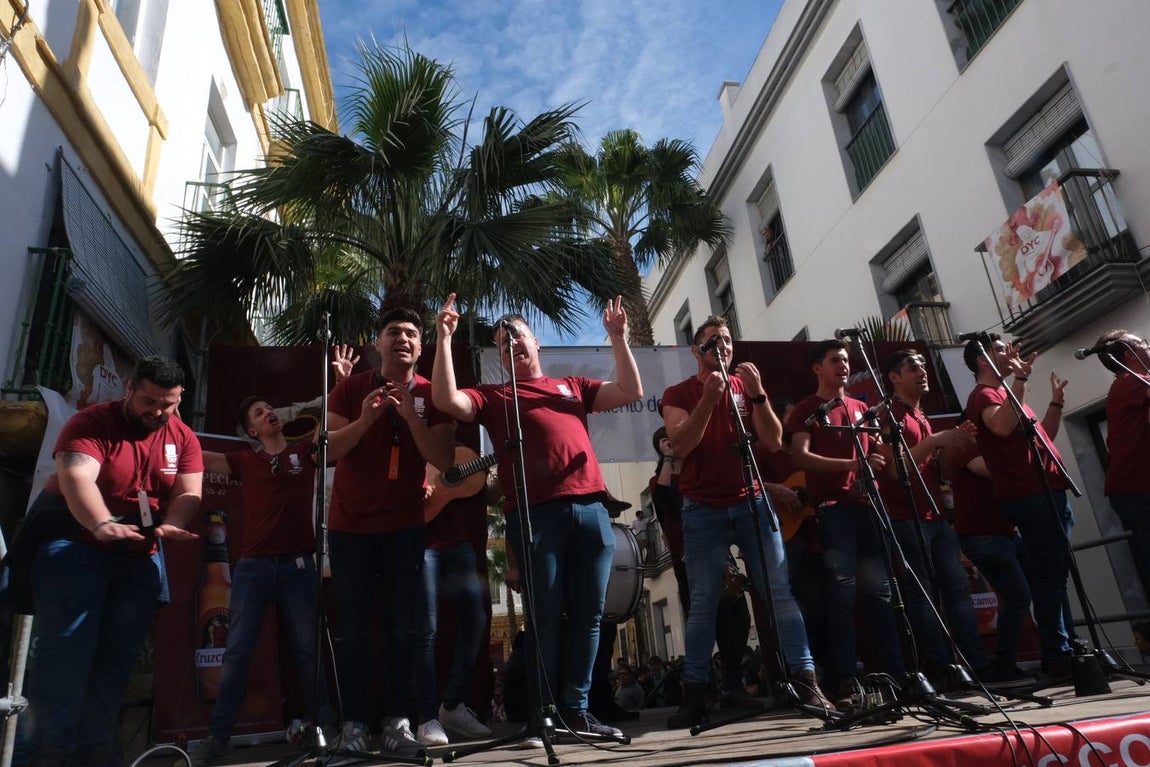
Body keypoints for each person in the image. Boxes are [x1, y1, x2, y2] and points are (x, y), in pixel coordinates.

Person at [432, 293, 642, 741]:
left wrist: (619, 339)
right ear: (501, 358)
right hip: (534, 515)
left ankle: (578, 711)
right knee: (544, 617)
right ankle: (543, 713)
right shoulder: (494, 396)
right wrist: (444, 338)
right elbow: (447, 399)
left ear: (536, 343)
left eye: (517, 336)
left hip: (591, 510)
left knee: (589, 616)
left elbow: (630, 392)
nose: (512, 345)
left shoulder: (573, 387)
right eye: (502, 343)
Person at [12, 356, 203, 767]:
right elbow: (76, 477)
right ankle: (44, 756)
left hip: (136, 557)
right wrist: (100, 523)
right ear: (129, 389)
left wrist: (172, 523)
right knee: (64, 659)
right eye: (148, 400)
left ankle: (97, 753)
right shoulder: (91, 423)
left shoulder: (184, 437)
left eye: (166, 404)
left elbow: (189, 492)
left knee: (116, 662)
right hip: (73, 545)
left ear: (179, 398)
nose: (156, 411)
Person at [661, 316, 835, 729]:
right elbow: (681, 444)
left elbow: (775, 442)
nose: (721, 346)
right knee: (704, 602)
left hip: (752, 502)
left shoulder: (745, 387)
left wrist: (757, 397)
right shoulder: (678, 392)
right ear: (696, 351)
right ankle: (697, 693)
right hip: (702, 508)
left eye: (726, 340)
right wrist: (708, 398)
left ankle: (806, 681)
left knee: (779, 593)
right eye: (711, 342)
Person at [326, 307, 455, 756]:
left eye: (412, 334)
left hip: (404, 528)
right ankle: (355, 725)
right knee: (354, 631)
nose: (403, 338)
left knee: (405, 629)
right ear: (377, 344)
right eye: (393, 332)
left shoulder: (433, 394)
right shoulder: (350, 388)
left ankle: (399, 721)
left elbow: (443, 458)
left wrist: (412, 418)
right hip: (349, 529)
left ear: (422, 347)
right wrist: (365, 420)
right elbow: (328, 452)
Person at [189, 396, 338, 765]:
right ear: (251, 430)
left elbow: (335, 433)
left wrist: (336, 382)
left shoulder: (305, 453)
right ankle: (217, 737)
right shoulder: (244, 460)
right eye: (259, 412)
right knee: (237, 653)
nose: (269, 412)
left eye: (270, 407)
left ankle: (327, 730)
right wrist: (172, 424)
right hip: (253, 568)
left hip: (299, 564)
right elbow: (200, 458)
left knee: (307, 652)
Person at [787, 339, 903, 704]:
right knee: (842, 594)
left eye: (846, 360)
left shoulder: (862, 408)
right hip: (835, 510)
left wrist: (878, 462)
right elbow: (801, 458)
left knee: (882, 593)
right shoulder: (807, 409)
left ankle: (894, 675)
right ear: (816, 368)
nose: (843, 365)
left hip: (870, 507)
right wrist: (850, 467)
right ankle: (848, 679)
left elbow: (875, 455)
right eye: (835, 360)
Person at [873, 350, 992, 685]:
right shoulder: (890, 414)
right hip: (906, 518)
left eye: (924, 365)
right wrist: (936, 440)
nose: (923, 371)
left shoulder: (919, 414)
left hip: (935, 516)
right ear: (894, 377)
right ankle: (944, 669)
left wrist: (949, 448)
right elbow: (896, 471)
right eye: (913, 367)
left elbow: (936, 470)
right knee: (923, 595)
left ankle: (976, 665)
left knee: (956, 591)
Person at [963, 335, 1073, 677]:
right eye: (999, 350)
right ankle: (1057, 651)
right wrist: (1020, 379)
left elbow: (1043, 439)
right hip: (1030, 495)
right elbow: (999, 426)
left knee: (1055, 572)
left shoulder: (1008, 396)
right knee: (1048, 573)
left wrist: (1055, 405)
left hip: (1047, 489)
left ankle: (1064, 646)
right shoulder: (984, 395)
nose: (1009, 353)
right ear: (982, 360)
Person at [413, 459, 495, 746]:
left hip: (457, 542)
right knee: (427, 629)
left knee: (476, 620)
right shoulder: (401, 431)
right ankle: (426, 717)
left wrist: (491, 475)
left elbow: (488, 491)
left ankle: (452, 706)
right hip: (420, 542)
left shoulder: (452, 443)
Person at [945, 425, 1034, 682]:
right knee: (1018, 596)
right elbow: (988, 469)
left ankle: (1005, 662)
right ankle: (1003, 664)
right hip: (983, 535)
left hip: (1003, 533)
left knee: (1022, 594)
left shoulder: (983, 450)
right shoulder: (967, 450)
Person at [1093, 330, 1150, 599]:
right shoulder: (1131, 383)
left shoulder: (1133, 385)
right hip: (1138, 490)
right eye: (1144, 344)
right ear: (1130, 354)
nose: (1148, 347)